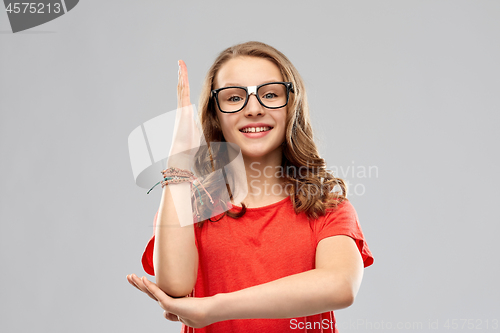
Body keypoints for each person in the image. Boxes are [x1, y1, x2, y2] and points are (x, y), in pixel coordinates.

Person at [127, 41, 374, 332]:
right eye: (234, 98)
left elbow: (340, 285)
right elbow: (175, 286)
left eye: (270, 94)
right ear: (215, 114)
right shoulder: (191, 205)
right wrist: (180, 155)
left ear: (290, 107)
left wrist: (215, 308)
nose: (254, 109)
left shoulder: (327, 209)